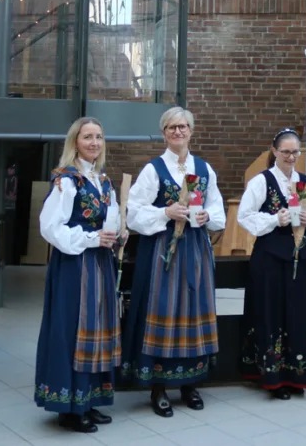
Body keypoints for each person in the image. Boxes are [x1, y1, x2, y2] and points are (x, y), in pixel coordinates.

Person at [122, 107, 226, 417]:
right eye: (171, 128)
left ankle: (190, 383)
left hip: (195, 249)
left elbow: (218, 210)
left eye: (182, 127)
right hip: (163, 252)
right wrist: (164, 213)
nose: (177, 132)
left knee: (194, 312)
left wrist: (208, 217)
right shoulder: (154, 170)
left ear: (191, 131)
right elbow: (133, 214)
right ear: (164, 133)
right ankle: (158, 386)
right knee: (164, 310)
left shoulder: (205, 170)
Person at [35, 117, 124, 433]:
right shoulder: (67, 181)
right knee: (74, 328)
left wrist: (114, 235)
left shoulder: (103, 181)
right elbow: (49, 226)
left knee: (97, 328)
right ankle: (69, 408)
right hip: (75, 267)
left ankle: (88, 400)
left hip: (100, 264)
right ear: (75, 142)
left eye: (99, 137)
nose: (95, 143)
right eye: (88, 137)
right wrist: (89, 239)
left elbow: (107, 221)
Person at [238, 128, 306, 399]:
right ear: (274, 151)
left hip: (300, 257)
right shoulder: (262, 181)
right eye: (285, 152)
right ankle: (274, 376)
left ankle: (297, 373)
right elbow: (244, 216)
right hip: (271, 258)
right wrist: (275, 220)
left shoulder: (304, 181)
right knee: (271, 313)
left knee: (298, 314)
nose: (291, 157)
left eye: (295, 152)